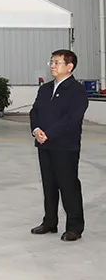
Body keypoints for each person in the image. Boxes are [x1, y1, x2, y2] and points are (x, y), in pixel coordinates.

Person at [29, 49, 88, 242]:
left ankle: (74, 227)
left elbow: (72, 118)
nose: (53, 66)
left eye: (57, 62)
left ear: (69, 67)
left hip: (65, 145)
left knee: (68, 186)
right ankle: (50, 222)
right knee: (49, 185)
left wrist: (49, 134)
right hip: (44, 144)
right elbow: (35, 111)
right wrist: (36, 129)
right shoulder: (45, 89)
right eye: (51, 62)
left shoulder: (77, 90)